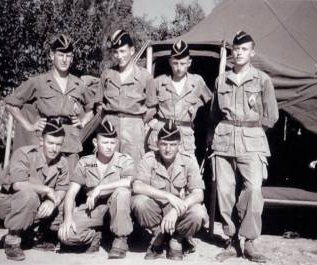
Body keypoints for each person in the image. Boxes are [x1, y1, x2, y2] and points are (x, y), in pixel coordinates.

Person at [210, 31, 279, 263]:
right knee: (225, 191)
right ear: (232, 52)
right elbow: (214, 114)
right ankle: (230, 240)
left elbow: (272, 116)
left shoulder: (262, 79)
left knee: (253, 191)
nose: (239, 53)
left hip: (252, 142)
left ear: (252, 52)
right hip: (224, 140)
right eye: (236, 49)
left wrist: (253, 130)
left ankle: (249, 241)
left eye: (244, 49)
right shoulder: (221, 80)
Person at [5, 34, 95, 176]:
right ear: (52, 55)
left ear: (72, 58)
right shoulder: (38, 82)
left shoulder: (79, 85)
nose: (64, 59)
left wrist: (83, 122)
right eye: (60, 55)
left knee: (69, 185)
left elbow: (92, 108)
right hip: (46, 142)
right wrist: (29, 125)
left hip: (70, 143)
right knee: (43, 182)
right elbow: (11, 104)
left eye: (68, 56)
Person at [0, 120, 69, 261]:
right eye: (50, 143)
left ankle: (34, 237)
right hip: (6, 206)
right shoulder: (24, 154)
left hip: (32, 207)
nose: (54, 149)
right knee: (29, 196)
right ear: (41, 141)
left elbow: (62, 189)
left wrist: (53, 201)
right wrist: (47, 190)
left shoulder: (62, 162)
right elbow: (18, 184)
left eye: (58, 144)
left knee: (64, 200)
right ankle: (12, 240)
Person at [58, 117, 135, 259]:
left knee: (122, 192)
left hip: (118, 210)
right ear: (95, 142)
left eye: (113, 142)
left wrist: (100, 188)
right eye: (105, 142)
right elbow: (71, 193)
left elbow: (130, 181)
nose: (109, 146)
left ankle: (120, 240)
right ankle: (95, 235)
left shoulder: (124, 160)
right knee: (66, 235)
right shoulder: (85, 162)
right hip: (95, 210)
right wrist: (68, 219)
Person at [131, 120, 207, 260]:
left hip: (180, 215)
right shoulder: (149, 159)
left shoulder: (189, 160)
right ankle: (158, 236)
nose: (168, 149)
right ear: (157, 143)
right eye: (164, 144)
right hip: (157, 212)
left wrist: (176, 210)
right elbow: (137, 186)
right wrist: (167, 196)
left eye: (173, 145)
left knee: (199, 212)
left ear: (179, 145)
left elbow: (199, 194)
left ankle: (177, 239)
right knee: (139, 201)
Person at [96, 29, 157, 164]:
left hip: (134, 130)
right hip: (110, 128)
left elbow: (152, 107)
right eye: (115, 52)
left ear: (132, 50)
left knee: (132, 170)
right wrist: (108, 120)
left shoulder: (145, 76)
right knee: (107, 168)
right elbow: (99, 104)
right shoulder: (107, 75)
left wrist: (138, 122)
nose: (119, 56)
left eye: (123, 51)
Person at [148, 39, 212, 155]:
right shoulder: (159, 82)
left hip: (185, 138)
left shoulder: (197, 82)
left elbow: (211, 106)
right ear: (170, 62)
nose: (179, 67)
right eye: (175, 63)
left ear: (189, 63)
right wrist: (151, 121)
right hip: (161, 135)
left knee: (186, 171)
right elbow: (148, 107)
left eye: (182, 63)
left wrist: (201, 118)